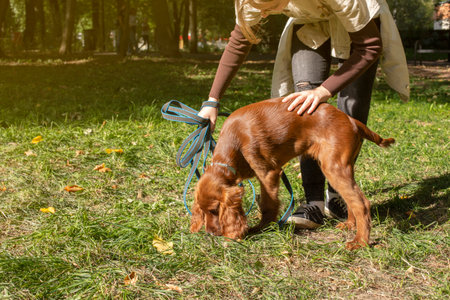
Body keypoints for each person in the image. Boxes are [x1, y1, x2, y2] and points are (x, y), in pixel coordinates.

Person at [198, 0, 409, 229]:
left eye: (269, 6)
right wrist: (213, 99)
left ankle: (338, 196)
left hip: (360, 27)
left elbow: (369, 47)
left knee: (349, 110)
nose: (264, 13)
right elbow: (239, 42)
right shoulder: (252, 1)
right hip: (309, 24)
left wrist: (323, 91)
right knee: (304, 109)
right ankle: (314, 204)